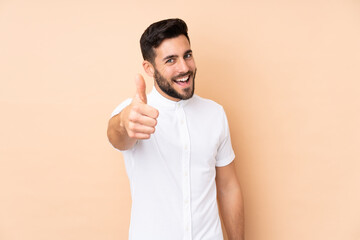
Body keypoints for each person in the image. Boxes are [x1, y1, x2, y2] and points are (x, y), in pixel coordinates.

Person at [107, 18, 244, 240]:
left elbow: (229, 188)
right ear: (149, 68)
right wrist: (124, 121)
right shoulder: (136, 113)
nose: (184, 68)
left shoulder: (215, 113)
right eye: (171, 60)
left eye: (187, 55)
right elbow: (117, 135)